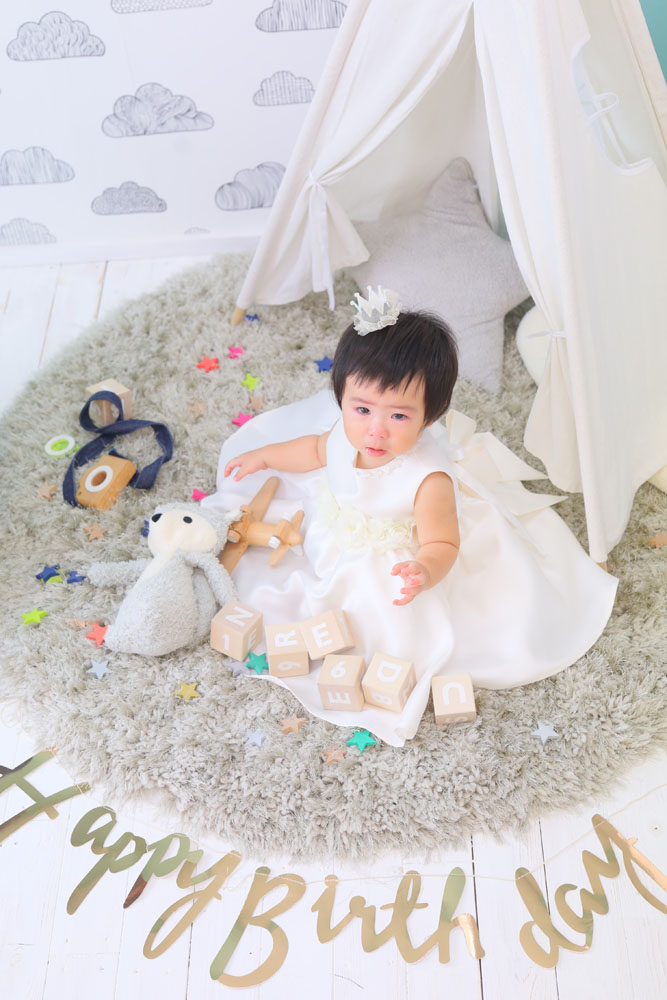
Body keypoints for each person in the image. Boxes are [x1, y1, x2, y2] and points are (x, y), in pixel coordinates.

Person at [203, 287, 617, 746]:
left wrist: (424, 570)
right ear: (342, 398)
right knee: (275, 576)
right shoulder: (347, 433)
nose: (375, 430)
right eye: (362, 409)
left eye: (399, 416)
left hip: (397, 552)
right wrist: (265, 456)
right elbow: (315, 450)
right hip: (340, 525)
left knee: (379, 624)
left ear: (428, 417)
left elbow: (443, 543)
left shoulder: (427, 479)